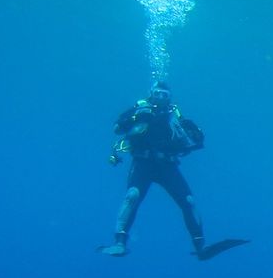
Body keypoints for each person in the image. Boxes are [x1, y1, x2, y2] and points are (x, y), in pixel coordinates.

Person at [97, 81, 246, 260]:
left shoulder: (175, 116)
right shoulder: (139, 111)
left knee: (188, 201)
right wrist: (136, 118)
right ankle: (119, 243)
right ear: (151, 93)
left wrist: (191, 134)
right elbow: (117, 128)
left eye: (164, 94)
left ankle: (200, 245)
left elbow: (196, 140)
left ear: (169, 97)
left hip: (167, 165)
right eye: (157, 93)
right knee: (132, 196)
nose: (160, 97)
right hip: (143, 162)